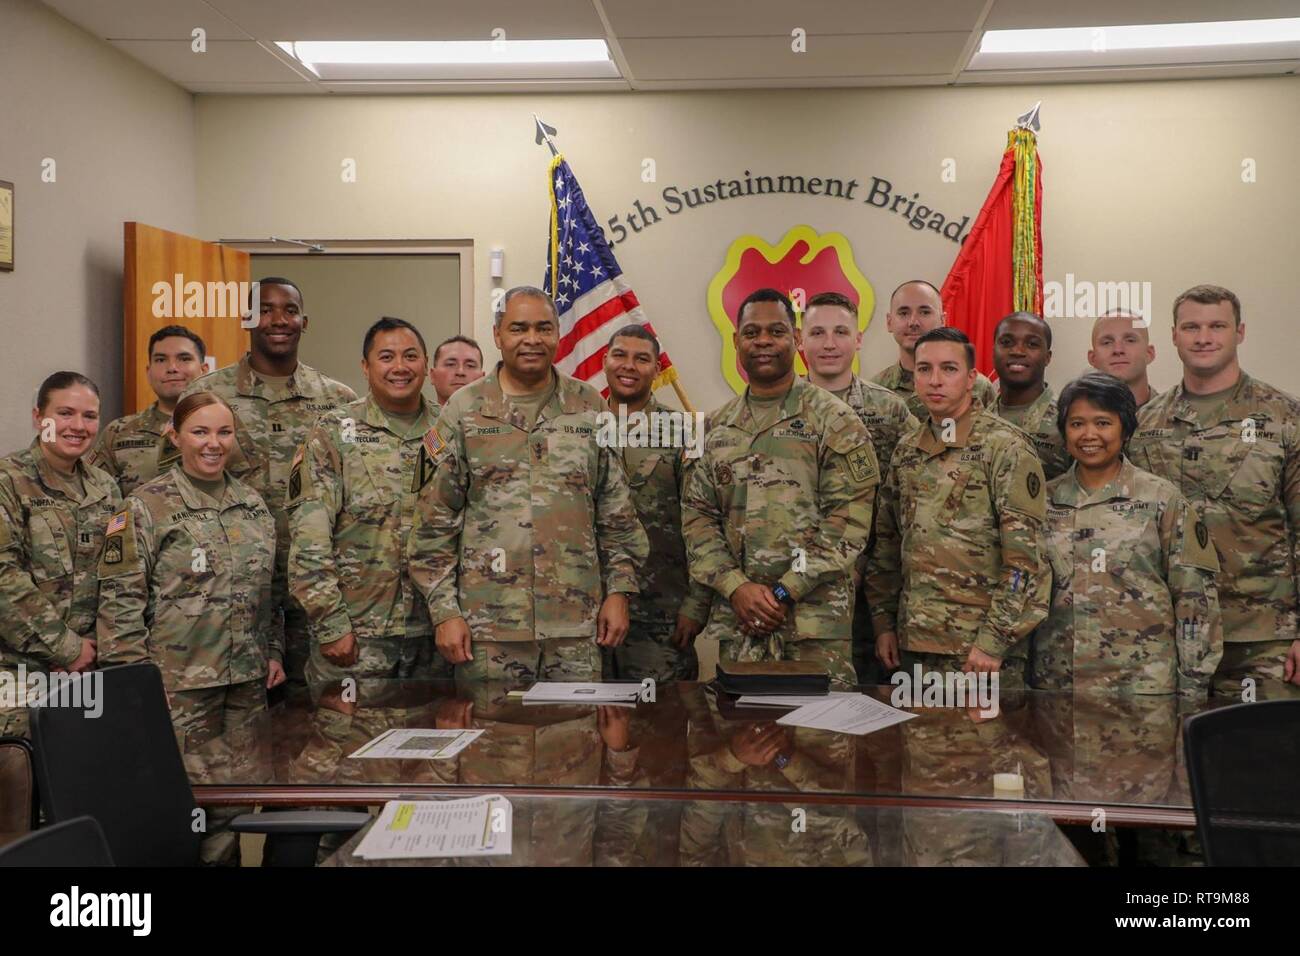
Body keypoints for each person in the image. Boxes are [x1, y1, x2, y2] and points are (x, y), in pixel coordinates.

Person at [408, 286, 648, 681]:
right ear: (498, 335)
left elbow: (616, 512)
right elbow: (432, 523)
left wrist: (620, 591)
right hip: (488, 630)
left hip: (576, 628)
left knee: (577, 738)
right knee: (493, 739)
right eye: (519, 328)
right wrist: (445, 612)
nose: (532, 340)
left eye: (544, 328)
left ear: (557, 334)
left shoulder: (589, 405)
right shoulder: (463, 411)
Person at [96, 391, 281, 864]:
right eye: (200, 431)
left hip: (244, 683)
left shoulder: (254, 505)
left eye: (224, 431)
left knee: (230, 808)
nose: (213, 443)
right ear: (174, 436)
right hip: (176, 688)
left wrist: (274, 651)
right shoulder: (141, 508)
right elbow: (119, 605)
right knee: (177, 809)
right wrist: (135, 686)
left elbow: (271, 590)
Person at [682, 288, 878, 686]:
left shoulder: (835, 421)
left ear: (796, 339)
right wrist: (736, 587)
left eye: (777, 331)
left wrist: (785, 591)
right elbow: (697, 520)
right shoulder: (712, 429)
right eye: (752, 333)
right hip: (739, 625)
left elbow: (847, 522)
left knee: (821, 741)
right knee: (740, 742)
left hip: (814, 627)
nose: (764, 342)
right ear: (736, 342)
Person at [181, 277, 357, 686]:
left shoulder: (339, 401)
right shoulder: (207, 395)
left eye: (289, 310)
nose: (278, 320)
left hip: (318, 584)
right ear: (246, 319)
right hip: (233, 588)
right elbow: (177, 490)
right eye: (265, 309)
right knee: (242, 717)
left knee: (322, 710)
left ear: (304, 321)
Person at [1129, 284, 1300, 698]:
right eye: (1191, 327)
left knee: (1263, 758)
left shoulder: (1284, 416)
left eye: (1216, 326)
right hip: (1166, 635)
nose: (1203, 337)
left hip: (1262, 636)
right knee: (1170, 761)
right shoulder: (1144, 425)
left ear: (1239, 332)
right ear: (1173, 336)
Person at [868, 327, 1049, 687]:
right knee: (914, 743)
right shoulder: (907, 450)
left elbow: (1025, 564)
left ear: (970, 379)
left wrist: (992, 643)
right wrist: (883, 623)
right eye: (924, 369)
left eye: (948, 369)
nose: (934, 380)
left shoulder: (1005, 449)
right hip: (914, 646)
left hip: (979, 655)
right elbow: (888, 546)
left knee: (981, 743)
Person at [1032, 372, 1222, 697]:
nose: (1089, 434)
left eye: (1103, 423)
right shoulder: (1042, 502)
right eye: (1077, 423)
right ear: (1064, 432)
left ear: (1125, 428)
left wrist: (1192, 690)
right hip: (1058, 690)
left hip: (1142, 690)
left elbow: (1195, 601)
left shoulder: (1162, 498)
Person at [287, 317, 446, 683]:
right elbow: (309, 537)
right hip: (358, 636)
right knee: (349, 738)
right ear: (365, 366)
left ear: (426, 365)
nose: (400, 367)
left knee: (437, 738)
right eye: (386, 357)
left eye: (411, 356)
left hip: (437, 633)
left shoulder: (449, 429)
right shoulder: (332, 431)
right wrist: (330, 623)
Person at [801, 290, 916, 684]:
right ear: (800, 341)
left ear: (859, 338)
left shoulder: (891, 410)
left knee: (876, 709)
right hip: (802, 590)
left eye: (840, 331)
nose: (829, 343)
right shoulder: (781, 409)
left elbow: (911, 498)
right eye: (817, 332)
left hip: (874, 591)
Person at [0, 372, 120, 738]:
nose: (78, 426)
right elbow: (3, 577)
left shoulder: (106, 487)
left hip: (92, 665)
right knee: (24, 773)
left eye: (89, 416)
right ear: (39, 418)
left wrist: (94, 652)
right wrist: (66, 648)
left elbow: (119, 574)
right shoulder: (8, 481)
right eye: (65, 413)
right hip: (18, 668)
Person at [600, 324, 711, 682]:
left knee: (662, 727)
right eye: (620, 355)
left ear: (657, 370)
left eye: (642, 359)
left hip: (661, 613)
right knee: (583, 729)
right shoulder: (578, 426)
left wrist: (696, 605)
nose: (628, 366)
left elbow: (704, 522)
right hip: (585, 615)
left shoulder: (686, 432)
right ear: (604, 361)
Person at [88, 325, 207, 495]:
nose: (172, 367)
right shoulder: (118, 433)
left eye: (184, 358)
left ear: (204, 370)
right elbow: (97, 500)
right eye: (160, 359)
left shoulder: (229, 428)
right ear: (148, 372)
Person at [871, 279, 997, 418]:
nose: (913, 322)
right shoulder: (875, 391)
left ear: (942, 320)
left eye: (924, 312)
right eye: (903, 313)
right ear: (889, 322)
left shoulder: (977, 386)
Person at [990, 311, 1069, 480]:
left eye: (1032, 344)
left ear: (1047, 357)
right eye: (1006, 342)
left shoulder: (1068, 419)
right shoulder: (976, 421)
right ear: (993, 351)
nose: (1017, 351)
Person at [1088, 310, 1160, 408]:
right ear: (1093, 358)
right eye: (1107, 342)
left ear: (1149, 353)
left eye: (1130, 340)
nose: (1118, 350)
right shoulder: (1068, 417)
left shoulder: (1175, 417)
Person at [429, 334, 485, 405]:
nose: (460, 372)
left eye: (470, 366)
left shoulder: (501, 415)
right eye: (451, 364)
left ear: (483, 379)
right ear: (433, 376)